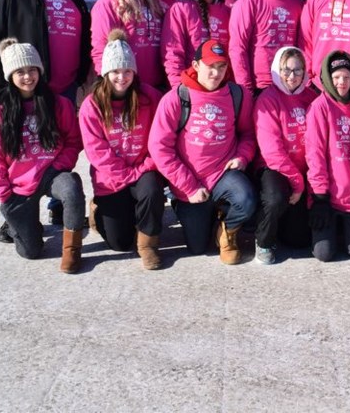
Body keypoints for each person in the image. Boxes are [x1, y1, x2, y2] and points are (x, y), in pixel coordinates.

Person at [0, 0, 91, 228]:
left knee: (62, 148)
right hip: (25, 90)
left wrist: (82, 77)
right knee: (23, 151)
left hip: (65, 89)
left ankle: (60, 205)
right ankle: (17, 212)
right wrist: (3, 88)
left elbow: (85, 39)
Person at [0, 39, 86, 273]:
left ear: (40, 70)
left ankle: (72, 251)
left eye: (32, 70)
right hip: (19, 185)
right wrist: (4, 195)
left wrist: (60, 165)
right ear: (10, 76)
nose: (28, 76)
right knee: (30, 252)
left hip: (51, 174)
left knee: (71, 187)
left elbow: (73, 141)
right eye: (20, 71)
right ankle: (16, 223)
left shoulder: (59, 105)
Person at [148, 40, 256, 263]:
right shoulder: (177, 98)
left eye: (221, 66)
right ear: (196, 66)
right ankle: (191, 209)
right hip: (190, 180)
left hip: (222, 173)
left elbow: (248, 134)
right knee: (197, 247)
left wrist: (243, 156)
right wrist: (189, 186)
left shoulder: (237, 95)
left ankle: (226, 231)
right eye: (210, 66)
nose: (216, 73)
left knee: (246, 200)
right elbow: (159, 148)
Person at [79, 30, 165, 270]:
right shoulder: (92, 105)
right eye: (116, 71)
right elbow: (97, 152)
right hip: (111, 177)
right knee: (120, 243)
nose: (122, 77)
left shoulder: (149, 96)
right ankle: (98, 211)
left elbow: (162, 136)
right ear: (106, 73)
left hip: (142, 166)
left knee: (152, 189)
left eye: (127, 71)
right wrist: (127, 176)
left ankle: (148, 244)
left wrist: (147, 166)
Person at [252, 46, 317, 264]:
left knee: (299, 241)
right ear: (276, 71)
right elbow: (272, 152)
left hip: (304, 169)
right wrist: (297, 184)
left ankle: (283, 226)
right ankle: (263, 241)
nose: (292, 76)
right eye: (286, 70)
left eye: (298, 70)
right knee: (275, 198)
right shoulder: (268, 99)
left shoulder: (311, 98)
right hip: (275, 168)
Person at [304, 51, 350, 261]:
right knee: (324, 254)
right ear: (328, 79)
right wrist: (319, 197)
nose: (342, 82)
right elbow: (315, 154)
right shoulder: (320, 106)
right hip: (329, 197)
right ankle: (330, 232)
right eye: (336, 77)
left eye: (347, 77)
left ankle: (346, 231)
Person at [90, 0, 167, 90]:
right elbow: (101, 47)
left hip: (156, 85)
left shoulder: (156, 3)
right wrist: (107, 83)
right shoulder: (109, 2)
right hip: (125, 85)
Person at [228, 0, 304, 94]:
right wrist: (245, 88)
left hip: (290, 83)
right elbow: (237, 48)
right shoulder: (249, 1)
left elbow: (302, 45)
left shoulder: (297, 3)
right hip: (260, 85)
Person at [161, 0, 232, 88]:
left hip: (220, 84)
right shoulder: (181, 9)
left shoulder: (226, 11)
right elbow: (172, 53)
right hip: (191, 85)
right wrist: (179, 88)